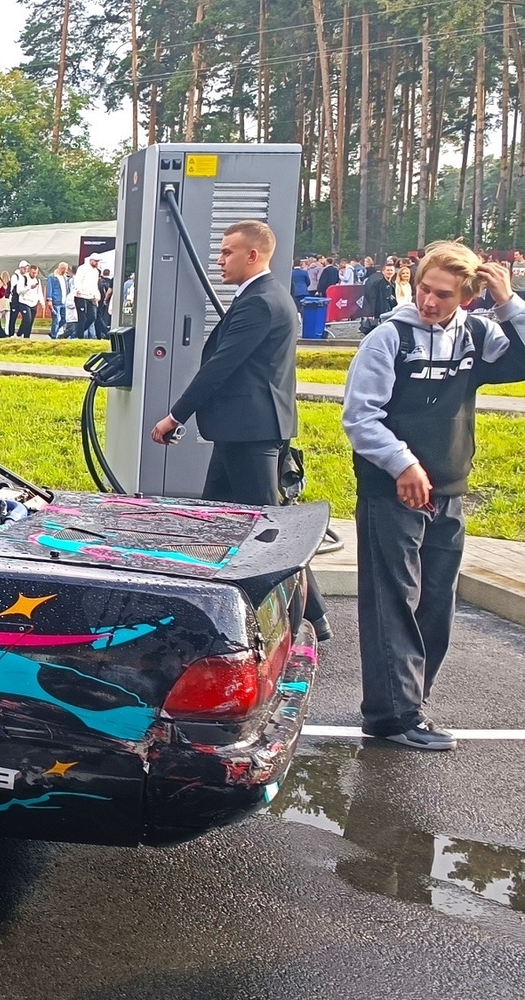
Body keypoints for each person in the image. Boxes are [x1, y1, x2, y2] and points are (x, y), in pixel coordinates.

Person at [343, 244, 525, 751]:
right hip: (391, 491)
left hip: (448, 489)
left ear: (466, 296)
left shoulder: (478, 335)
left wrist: (509, 302)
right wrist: (403, 464)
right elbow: (360, 417)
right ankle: (393, 714)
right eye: (424, 289)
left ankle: (411, 703)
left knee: (436, 602)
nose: (428, 301)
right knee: (393, 603)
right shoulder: (388, 338)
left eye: (443, 295)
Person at [150, 220, 330, 641]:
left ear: (253, 255)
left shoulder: (260, 301)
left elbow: (221, 366)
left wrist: (175, 416)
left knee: (269, 531)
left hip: (251, 432)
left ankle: (310, 616)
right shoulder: (263, 296)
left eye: (227, 251)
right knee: (215, 520)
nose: (219, 260)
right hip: (241, 430)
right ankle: (205, 609)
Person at [361, 262, 398, 335]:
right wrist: (371, 313)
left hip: (390, 311)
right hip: (380, 311)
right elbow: (373, 298)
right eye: (388, 270)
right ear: (383, 272)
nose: (389, 272)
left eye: (391, 270)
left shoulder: (393, 284)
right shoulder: (377, 284)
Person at [9, 261, 40, 339]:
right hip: (17, 299)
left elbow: (38, 291)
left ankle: (26, 337)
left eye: (26, 268)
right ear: (20, 268)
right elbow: (15, 289)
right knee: (13, 317)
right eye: (24, 268)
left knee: (29, 320)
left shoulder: (34, 279)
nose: (25, 270)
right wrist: (29, 287)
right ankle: (12, 334)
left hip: (30, 301)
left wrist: (40, 301)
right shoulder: (16, 276)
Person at [73, 255, 102, 339]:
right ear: (91, 260)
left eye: (98, 261)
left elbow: (95, 284)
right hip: (81, 295)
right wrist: (78, 289)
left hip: (91, 296)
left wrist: (97, 295)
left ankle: (77, 333)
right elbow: (78, 279)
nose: (97, 263)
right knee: (82, 317)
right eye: (95, 261)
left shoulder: (96, 271)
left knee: (92, 317)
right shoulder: (82, 268)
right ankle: (79, 336)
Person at [46, 262, 71, 338]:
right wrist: (49, 300)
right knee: (56, 319)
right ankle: (54, 336)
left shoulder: (65, 277)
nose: (66, 271)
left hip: (64, 301)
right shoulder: (52, 277)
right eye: (66, 269)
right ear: (62, 269)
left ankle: (53, 331)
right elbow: (49, 288)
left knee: (64, 319)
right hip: (56, 301)